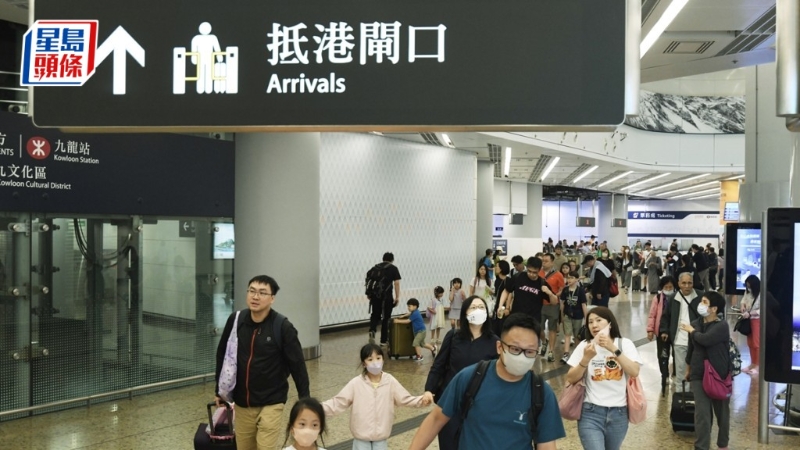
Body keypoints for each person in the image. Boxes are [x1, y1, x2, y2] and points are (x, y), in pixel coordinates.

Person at [410, 313, 567, 450]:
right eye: (515, 349)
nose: (522, 356)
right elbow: (436, 419)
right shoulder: (470, 378)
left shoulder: (541, 393)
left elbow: (546, 445)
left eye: (530, 351)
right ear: (499, 347)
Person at [215, 275, 310, 450]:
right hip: (242, 403)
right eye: (252, 291)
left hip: (271, 402)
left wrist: (305, 400)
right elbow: (223, 354)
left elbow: (297, 365)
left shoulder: (282, 327)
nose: (255, 296)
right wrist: (219, 390)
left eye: (262, 293)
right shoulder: (236, 320)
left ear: (272, 298)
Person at [422, 296, 500, 450]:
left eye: (481, 307)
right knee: (449, 442)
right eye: (473, 307)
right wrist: (429, 390)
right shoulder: (453, 336)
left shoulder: (494, 342)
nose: (478, 311)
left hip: (479, 403)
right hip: (451, 400)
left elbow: (498, 374)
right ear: (465, 313)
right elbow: (439, 365)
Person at [322, 343, 429, 450]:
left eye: (378, 358)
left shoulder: (389, 381)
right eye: (370, 359)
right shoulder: (356, 383)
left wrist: (422, 400)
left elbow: (405, 398)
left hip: (381, 438)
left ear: (383, 360)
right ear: (364, 363)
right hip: (361, 438)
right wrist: (317, 408)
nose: (375, 363)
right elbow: (338, 402)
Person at [566, 306, 642, 450]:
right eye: (590, 322)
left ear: (610, 324)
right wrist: (585, 359)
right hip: (590, 412)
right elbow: (571, 378)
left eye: (598, 320)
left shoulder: (624, 344)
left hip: (619, 413)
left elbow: (634, 371)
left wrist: (613, 348)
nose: (594, 325)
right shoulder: (585, 346)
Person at [682, 291, 730, 450]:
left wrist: (692, 331)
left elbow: (706, 339)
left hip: (718, 373)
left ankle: (723, 444)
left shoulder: (721, 326)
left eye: (704, 302)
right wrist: (688, 369)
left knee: (722, 412)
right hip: (698, 372)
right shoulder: (695, 323)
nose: (700, 305)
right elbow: (691, 348)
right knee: (702, 413)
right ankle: (701, 446)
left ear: (714, 309)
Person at [659, 272, 703, 392]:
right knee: (680, 371)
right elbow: (666, 316)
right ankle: (682, 396)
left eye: (689, 283)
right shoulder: (673, 297)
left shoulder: (700, 296)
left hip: (697, 339)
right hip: (679, 340)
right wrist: (664, 331)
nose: (687, 286)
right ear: (678, 284)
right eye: (684, 283)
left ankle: (696, 395)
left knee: (698, 370)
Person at [496, 257, 558, 321]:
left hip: (533, 320)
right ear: (527, 268)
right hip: (517, 317)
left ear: (539, 270)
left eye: (535, 272)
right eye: (529, 271)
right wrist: (500, 306)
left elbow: (554, 302)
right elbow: (506, 290)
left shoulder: (542, 283)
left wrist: (550, 293)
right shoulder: (518, 277)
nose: (531, 274)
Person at [647, 276, 676, 396]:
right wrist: (650, 329)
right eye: (666, 287)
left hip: (675, 332)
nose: (668, 289)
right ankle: (664, 375)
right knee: (663, 355)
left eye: (670, 287)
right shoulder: (658, 298)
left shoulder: (678, 298)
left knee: (677, 354)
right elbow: (652, 314)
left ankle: (675, 374)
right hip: (661, 332)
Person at [368, 252, 402, 346]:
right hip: (387, 297)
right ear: (392, 260)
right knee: (386, 318)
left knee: (375, 315)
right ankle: (383, 341)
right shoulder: (393, 268)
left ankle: (372, 330)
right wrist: (397, 297)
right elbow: (396, 283)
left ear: (383, 259)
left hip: (375, 296)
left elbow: (369, 281)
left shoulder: (375, 268)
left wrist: (369, 294)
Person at [541, 253, 565, 361]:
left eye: (546, 261)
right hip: (540, 305)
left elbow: (561, 289)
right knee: (539, 327)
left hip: (553, 305)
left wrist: (554, 296)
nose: (544, 263)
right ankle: (544, 341)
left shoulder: (558, 275)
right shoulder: (539, 273)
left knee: (552, 328)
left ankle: (551, 351)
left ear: (552, 262)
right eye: (543, 261)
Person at [561, 271, 588, 364]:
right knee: (567, 334)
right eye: (568, 277)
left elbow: (583, 305)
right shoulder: (565, 290)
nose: (569, 280)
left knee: (577, 336)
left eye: (572, 278)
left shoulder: (580, 290)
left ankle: (577, 353)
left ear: (577, 279)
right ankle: (566, 354)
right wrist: (562, 316)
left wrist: (586, 318)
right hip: (567, 315)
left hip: (578, 316)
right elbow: (562, 304)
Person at [740, 274, 761, 374]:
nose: (748, 288)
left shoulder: (761, 294)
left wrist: (750, 313)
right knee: (750, 343)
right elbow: (743, 300)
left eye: (750, 286)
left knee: (757, 344)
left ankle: (758, 365)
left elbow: (762, 310)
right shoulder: (747, 292)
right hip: (748, 320)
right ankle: (753, 363)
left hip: (757, 320)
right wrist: (742, 306)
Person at [492, 260, 511, 334]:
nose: (495, 268)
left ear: (501, 269)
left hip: (504, 307)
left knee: (502, 327)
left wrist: (507, 308)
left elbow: (509, 294)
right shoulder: (497, 280)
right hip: (496, 305)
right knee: (495, 327)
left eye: (497, 266)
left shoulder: (508, 280)